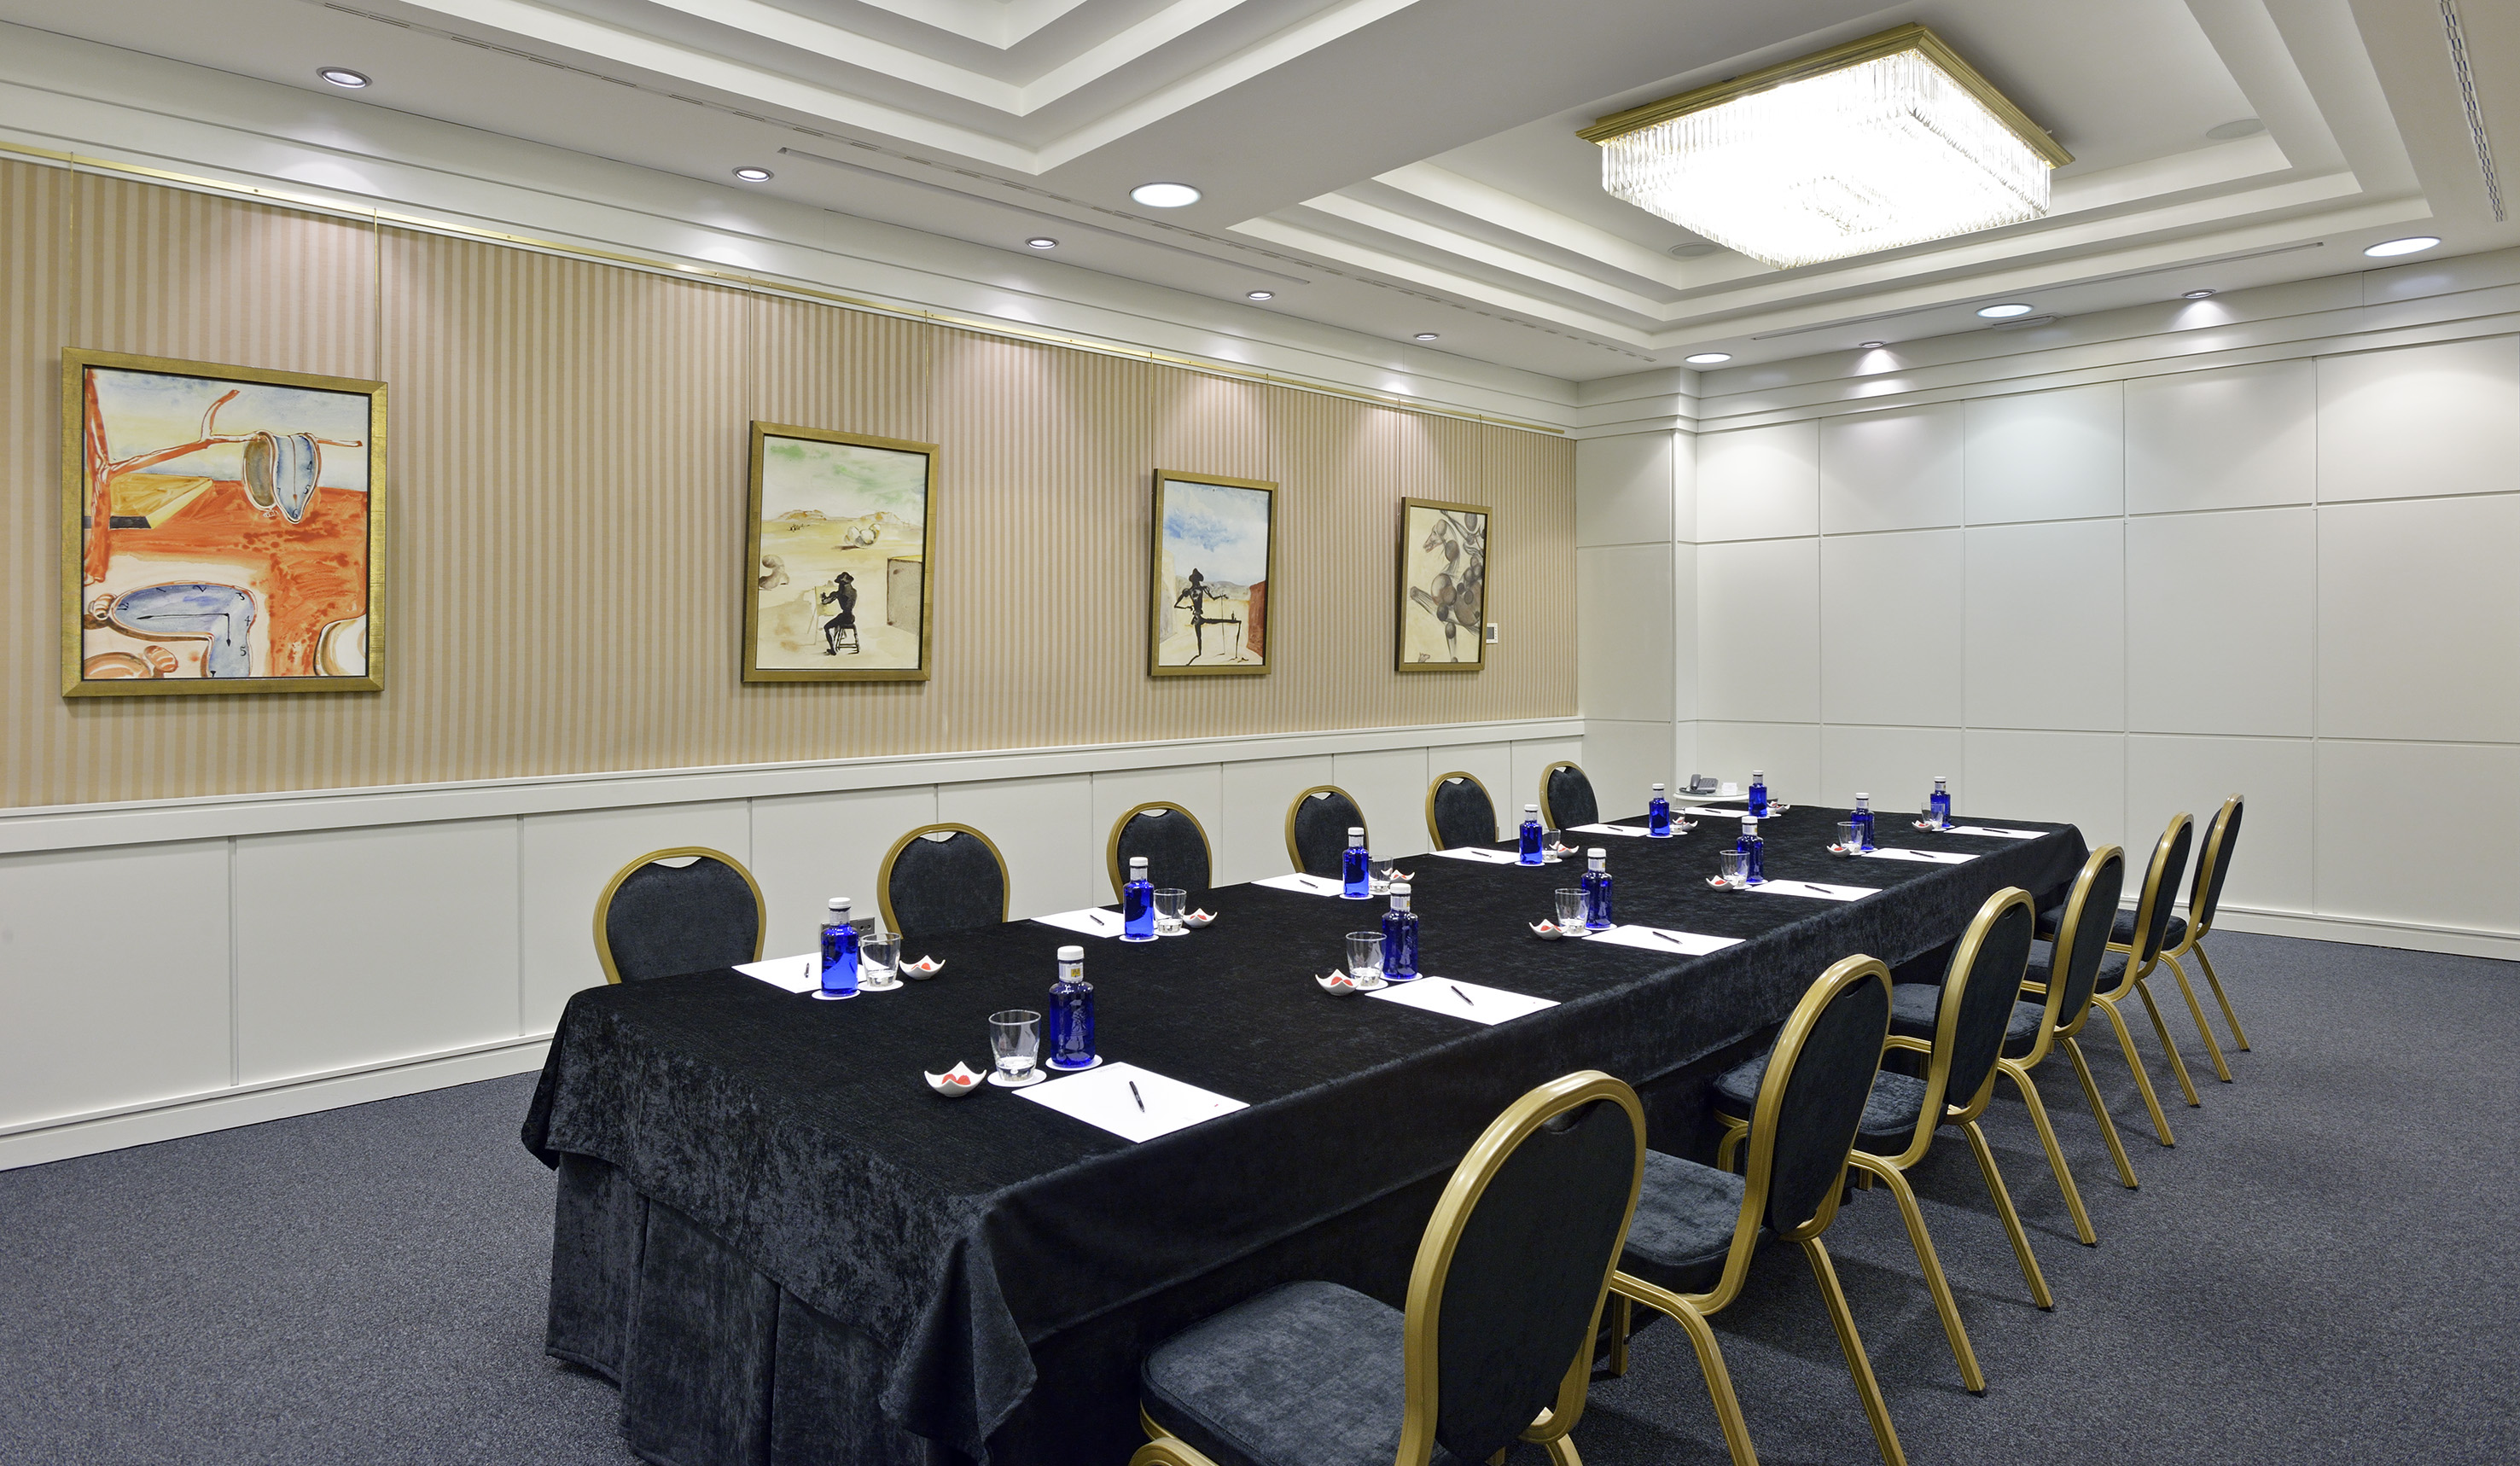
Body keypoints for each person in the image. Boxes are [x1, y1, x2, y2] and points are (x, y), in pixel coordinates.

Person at [818, 571, 858, 654]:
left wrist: (823, 598)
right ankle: (839, 640)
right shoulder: (854, 592)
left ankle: (833, 649)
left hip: (844, 617)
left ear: (842, 584)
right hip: (851, 617)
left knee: (826, 627)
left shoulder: (839, 594)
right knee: (839, 618)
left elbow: (825, 602)